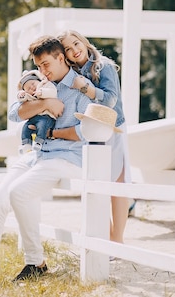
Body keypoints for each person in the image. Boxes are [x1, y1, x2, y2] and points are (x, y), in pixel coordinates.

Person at [0, 36, 92, 288]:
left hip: (67, 156)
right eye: (39, 66)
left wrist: (50, 133)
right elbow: (15, 113)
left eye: (46, 64)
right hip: (38, 154)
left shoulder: (81, 87)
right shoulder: (41, 85)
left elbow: (85, 132)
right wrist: (45, 103)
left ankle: (35, 262)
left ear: (60, 58)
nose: (42, 71)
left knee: (19, 193)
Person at [57, 29, 132, 244]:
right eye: (68, 49)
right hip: (89, 130)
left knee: (117, 185)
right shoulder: (71, 73)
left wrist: (86, 88)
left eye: (76, 44)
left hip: (112, 127)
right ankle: (104, 237)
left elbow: (110, 100)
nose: (74, 51)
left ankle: (117, 240)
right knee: (95, 183)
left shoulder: (104, 66)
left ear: (83, 41)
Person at [17, 69, 58, 154]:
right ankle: (26, 144)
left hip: (47, 116)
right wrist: (21, 95)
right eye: (28, 88)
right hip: (34, 117)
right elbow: (23, 100)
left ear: (38, 80)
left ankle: (39, 142)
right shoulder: (30, 96)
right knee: (26, 127)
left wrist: (41, 92)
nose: (32, 87)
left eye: (32, 84)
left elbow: (53, 92)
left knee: (41, 125)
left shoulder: (45, 85)